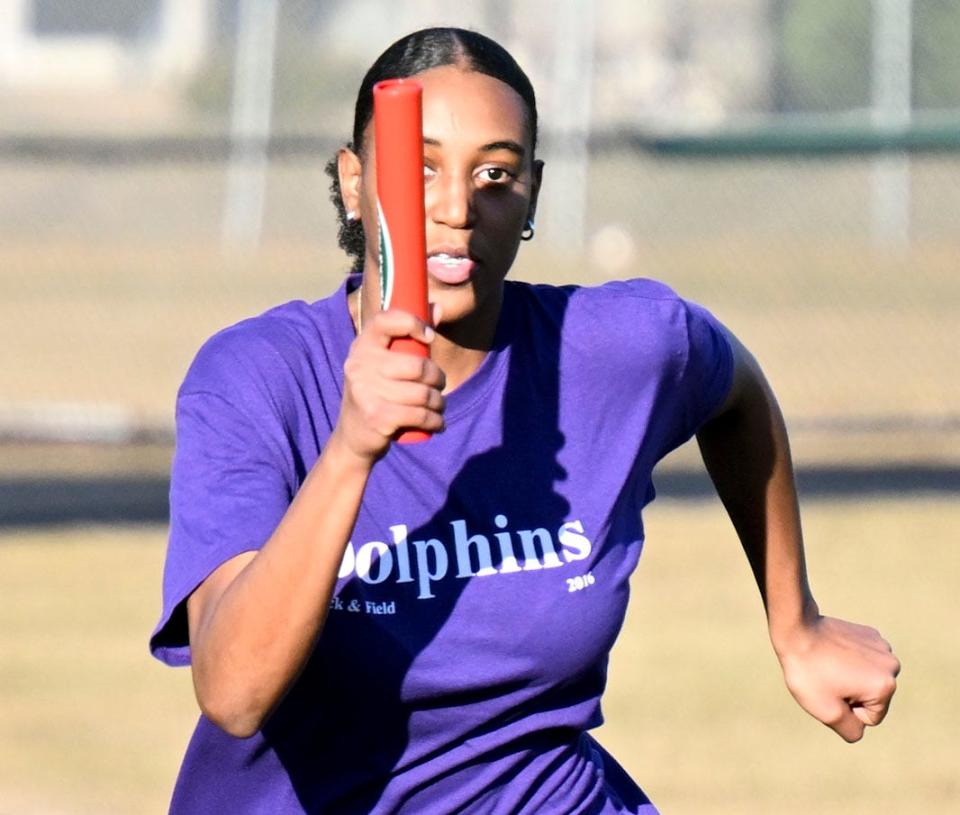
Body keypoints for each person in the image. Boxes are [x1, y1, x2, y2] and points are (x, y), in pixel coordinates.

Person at [150, 27, 900, 815]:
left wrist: (797, 622)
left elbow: (736, 391)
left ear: (531, 193)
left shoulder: (617, 349)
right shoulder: (257, 378)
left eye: (495, 174)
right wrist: (350, 451)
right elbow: (233, 690)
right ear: (353, 181)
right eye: (422, 167)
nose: (455, 207)